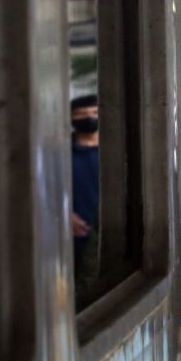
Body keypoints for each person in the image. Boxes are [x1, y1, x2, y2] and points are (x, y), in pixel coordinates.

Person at [71, 94, 100, 297]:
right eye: (81, 114)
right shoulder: (61, 153)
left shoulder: (116, 149)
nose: (89, 118)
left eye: (94, 113)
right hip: (73, 241)